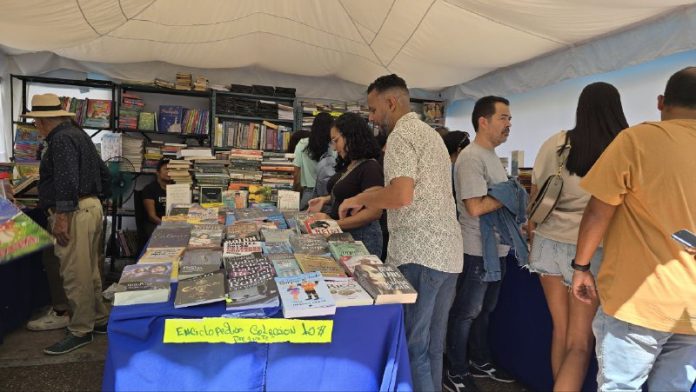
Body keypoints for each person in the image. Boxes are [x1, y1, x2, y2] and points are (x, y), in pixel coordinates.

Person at [571, 67, 696, 391]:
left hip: (636, 300)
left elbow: (599, 211)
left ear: (661, 102)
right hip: (691, 309)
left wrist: (581, 267)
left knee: (620, 386)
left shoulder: (638, 140)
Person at [338, 74, 463, 392]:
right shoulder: (430, 134)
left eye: (373, 109)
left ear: (391, 102)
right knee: (434, 347)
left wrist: (361, 198)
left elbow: (400, 195)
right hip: (448, 254)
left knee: (413, 348)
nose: (371, 117)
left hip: (418, 254)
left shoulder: (400, 138)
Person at [527, 82, 628, 391]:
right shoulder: (622, 146)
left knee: (561, 331)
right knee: (580, 343)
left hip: (546, 245)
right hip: (588, 251)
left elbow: (536, 194)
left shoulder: (556, 143)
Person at [23, 93, 111, 355]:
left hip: (74, 211)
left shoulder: (60, 140)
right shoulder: (79, 135)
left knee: (75, 274)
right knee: (90, 271)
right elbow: (104, 174)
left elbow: (66, 180)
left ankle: (80, 329)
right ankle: (97, 319)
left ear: (40, 121)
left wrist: (62, 217)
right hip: (90, 206)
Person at [445, 96, 516, 392]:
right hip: (476, 250)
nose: (509, 124)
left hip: (496, 249)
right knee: (466, 313)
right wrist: (508, 195)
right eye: (503, 117)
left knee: (485, 310)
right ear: (482, 121)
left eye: (510, 118)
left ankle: (479, 360)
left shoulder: (492, 156)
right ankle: (456, 371)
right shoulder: (472, 157)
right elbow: (474, 207)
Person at [307, 113, 384, 256]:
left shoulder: (370, 168)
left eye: (336, 140)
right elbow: (351, 191)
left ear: (351, 136)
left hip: (362, 239)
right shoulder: (350, 163)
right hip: (347, 236)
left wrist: (335, 224)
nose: (335, 148)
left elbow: (374, 211)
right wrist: (325, 199)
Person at [293, 112, 334, 209]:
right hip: (328, 195)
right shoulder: (334, 146)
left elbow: (296, 174)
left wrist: (296, 192)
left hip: (308, 194)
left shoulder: (302, 144)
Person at [142, 159, 171, 239]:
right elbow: (152, 216)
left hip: (173, 223)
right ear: (157, 172)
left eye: (171, 169)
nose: (169, 172)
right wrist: (165, 225)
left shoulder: (177, 188)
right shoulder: (149, 189)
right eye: (166, 169)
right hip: (156, 224)